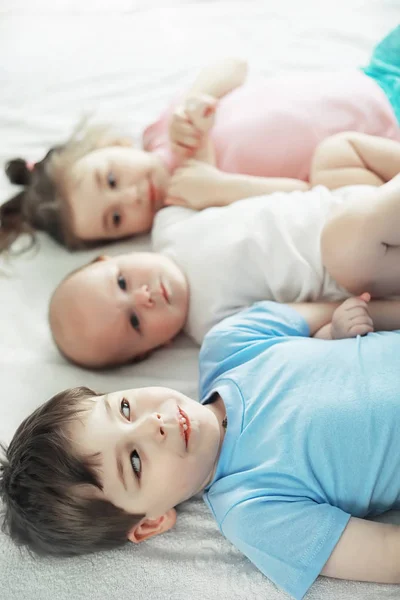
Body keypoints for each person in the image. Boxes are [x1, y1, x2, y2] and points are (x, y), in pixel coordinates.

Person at [3, 296, 400, 600]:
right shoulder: (252, 512)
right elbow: (386, 553)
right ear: (152, 521)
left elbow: (352, 308)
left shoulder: (232, 344)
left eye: (124, 408)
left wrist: (338, 328)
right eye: (135, 461)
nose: (151, 424)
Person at [1, 26, 400, 252]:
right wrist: (221, 188)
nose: (132, 197)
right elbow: (306, 197)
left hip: (370, 74)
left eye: (111, 180)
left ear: (115, 147)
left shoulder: (165, 128)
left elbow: (235, 66)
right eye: (116, 218)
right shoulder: (189, 212)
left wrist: (197, 97)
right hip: (382, 143)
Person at [49, 130, 400, 368]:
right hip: (365, 265)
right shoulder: (216, 327)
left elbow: (208, 171)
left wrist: (198, 130)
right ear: (153, 350)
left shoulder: (170, 221)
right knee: (345, 247)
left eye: (122, 282)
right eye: (135, 321)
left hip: (343, 200)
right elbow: (309, 320)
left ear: (115, 257)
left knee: (335, 151)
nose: (144, 297)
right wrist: (345, 326)